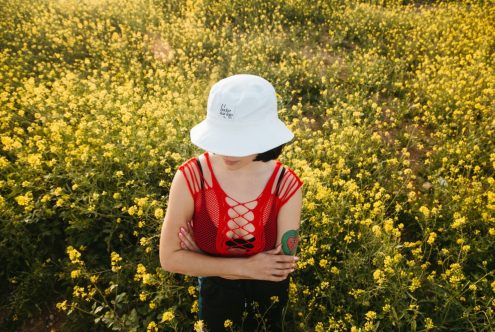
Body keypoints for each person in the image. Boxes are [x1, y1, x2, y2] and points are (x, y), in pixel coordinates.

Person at [159, 74, 303, 331]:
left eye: (239, 143)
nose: (227, 152)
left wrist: (203, 259)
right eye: (221, 140)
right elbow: (169, 259)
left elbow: (279, 269)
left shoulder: (286, 184)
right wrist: (249, 267)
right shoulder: (191, 177)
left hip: (268, 297)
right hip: (216, 297)